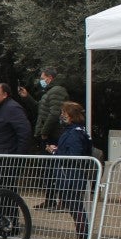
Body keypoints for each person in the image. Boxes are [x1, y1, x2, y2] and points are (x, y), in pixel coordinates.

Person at [48, 101, 93, 239]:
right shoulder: (75, 131)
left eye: (64, 113)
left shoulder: (75, 133)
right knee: (76, 209)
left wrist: (55, 152)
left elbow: (74, 155)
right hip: (69, 175)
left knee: (77, 209)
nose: (61, 116)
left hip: (71, 176)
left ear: (71, 116)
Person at [32, 67, 69, 209]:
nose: (41, 81)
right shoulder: (50, 92)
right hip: (50, 133)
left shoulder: (56, 91)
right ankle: (50, 199)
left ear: (50, 78)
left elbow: (54, 113)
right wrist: (27, 97)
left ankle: (63, 200)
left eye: (43, 78)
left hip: (54, 134)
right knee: (48, 169)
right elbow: (41, 110)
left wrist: (44, 132)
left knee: (57, 168)